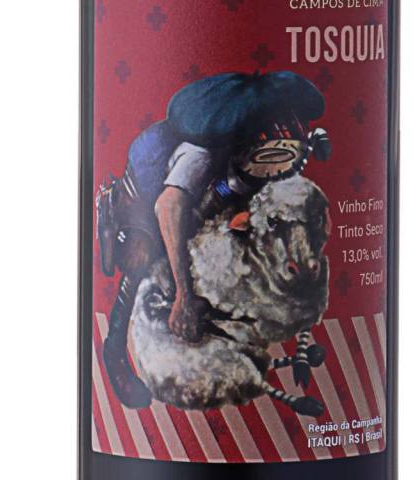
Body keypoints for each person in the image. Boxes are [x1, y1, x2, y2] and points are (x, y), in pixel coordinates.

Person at [98, 71, 331, 408]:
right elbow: (168, 206)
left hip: (207, 198)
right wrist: (183, 297)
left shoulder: (268, 136)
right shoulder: (201, 152)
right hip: (151, 205)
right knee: (143, 258)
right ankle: (114, 349)